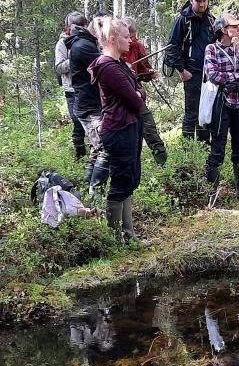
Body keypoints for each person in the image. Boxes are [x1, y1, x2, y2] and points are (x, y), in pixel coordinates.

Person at [91, 18, 148, 242]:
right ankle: (116, 238)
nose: (130, 40)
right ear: (113, 40)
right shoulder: (107, 67)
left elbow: (138, 92)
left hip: (130, 126)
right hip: (118, 129)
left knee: (130, 179)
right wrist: (138, 94)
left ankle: (128, 233)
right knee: (121, 181)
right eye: (126, 37)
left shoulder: (120, 65)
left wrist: (138, 93)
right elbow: (136, 100)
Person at [203, 13, 239, 200]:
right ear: (225, 30)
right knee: (218, 145)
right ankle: (212, 192)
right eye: (235, 26)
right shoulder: (211, 49)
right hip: (222, 102)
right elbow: (213, 75)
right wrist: (235, 78)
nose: (238, 29)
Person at [164, 0, 217, 142]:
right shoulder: (183, 21)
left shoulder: (211, 21)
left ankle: (204, 145)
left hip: (208, 73)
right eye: (198, 1)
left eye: (204, 1)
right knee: (192, 112)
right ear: (191, 1)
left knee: (207, 109)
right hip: (191, 72)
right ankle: (187, 149)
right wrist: (182, 70)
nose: (201, 4)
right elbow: (172, 47)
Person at [69, 13, 107, 191]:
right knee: (105, 147)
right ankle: (95, 191)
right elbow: (105, 66)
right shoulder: (83, 46)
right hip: (88, 107)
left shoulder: (86, 43)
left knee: (97, 146)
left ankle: (87, 184)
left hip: (93, 104)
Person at [124, 17, 168, 166]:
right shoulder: (113, 49)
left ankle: (161, 161)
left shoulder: (137, 47)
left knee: (149, 127)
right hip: (119, 99)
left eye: (133, 36)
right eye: (128, 37)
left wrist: (149, 73)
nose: (131, 40)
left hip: (136, 94)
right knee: (126, 134)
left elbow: (144, 68)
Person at [54, 11, 90, 162]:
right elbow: (59, 67)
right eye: (75, 27)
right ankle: (80, 154)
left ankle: (95, 153)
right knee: (76, 119)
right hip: (72, 88)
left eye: (81, 26)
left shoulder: (90, 40)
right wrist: (76, 59)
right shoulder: (63, 43)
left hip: (89, 86)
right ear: (68, 27)